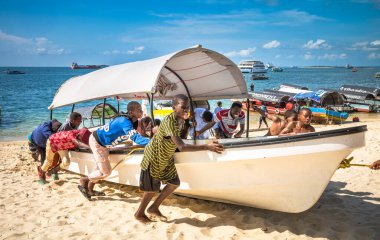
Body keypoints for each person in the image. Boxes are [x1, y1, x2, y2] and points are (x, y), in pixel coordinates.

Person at [134, 94, 224, 223]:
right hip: (154, 157)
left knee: (174, 183)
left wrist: (187, 122)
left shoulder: (180, 119)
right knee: (150, 190)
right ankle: (139, 214)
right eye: (183, 107)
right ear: (174, 107)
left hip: (166, 157)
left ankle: (153, 207)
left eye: (187, 107)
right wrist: (207, 147)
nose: (186, 109)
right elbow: (182, 147)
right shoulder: (170, 121)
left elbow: (180, 137)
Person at [78, 101, 150, 200]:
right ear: (131, 112)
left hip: (104, 144)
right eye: (138, 109)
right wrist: (153, 142)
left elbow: (138, 135)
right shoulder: (124, 121)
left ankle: (90, 190)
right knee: (105, 173)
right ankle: (83, 180)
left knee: (98, 170)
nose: (141, 111)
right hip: (97, 142)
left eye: (141, 109)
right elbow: (135, 138)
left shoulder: (134, 122)